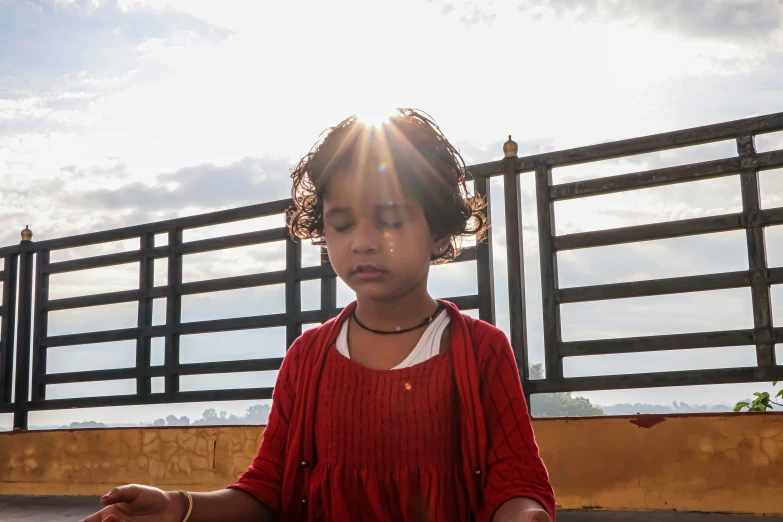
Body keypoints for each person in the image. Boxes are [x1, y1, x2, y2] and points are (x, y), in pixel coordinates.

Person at [82, 109, 556, 522]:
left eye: (390, 220)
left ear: (438, 233)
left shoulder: (480, 350)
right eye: (342, 223)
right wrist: (178, 506)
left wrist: (525, 514)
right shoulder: (308, 357)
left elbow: (515, 485)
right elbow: (267, 490)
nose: (363, 241)